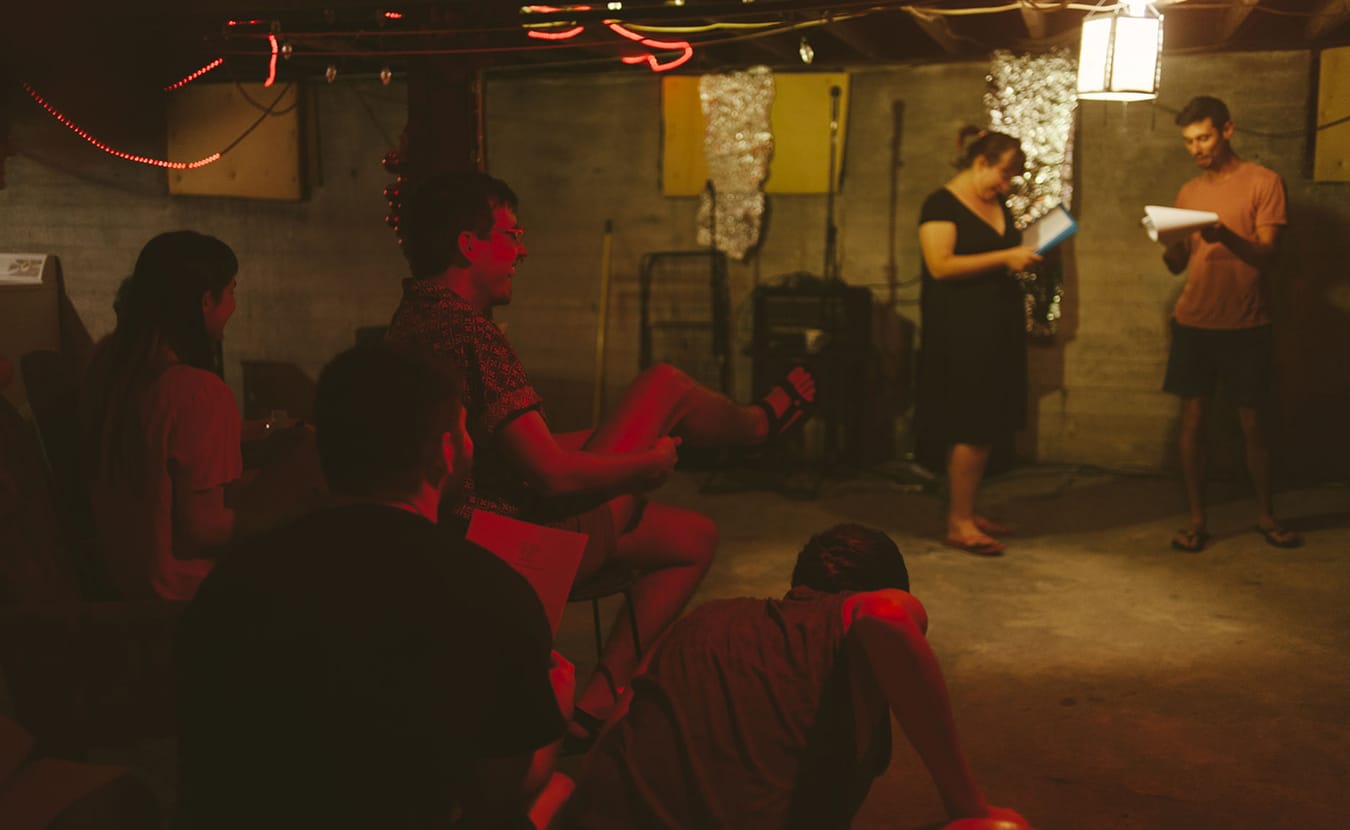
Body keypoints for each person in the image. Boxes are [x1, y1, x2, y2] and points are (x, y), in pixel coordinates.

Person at [384, 171, 816, 745]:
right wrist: (647, 465)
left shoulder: (413, 318)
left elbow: (518, 446)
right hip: (515, 542)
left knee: (693, 538)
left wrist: (621, 437)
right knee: (667, 385)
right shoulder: (470, 334)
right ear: (469, 244)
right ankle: (757, 427)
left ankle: (595, 705)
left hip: (470, 529)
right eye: (512, 235)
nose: (523, 249)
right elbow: (553, 477)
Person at [175, 345, 571, 830]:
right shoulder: (490, 592)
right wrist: (557, 713)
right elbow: (497, 796)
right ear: (446, 452)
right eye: (464, 427)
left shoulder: (235, 580)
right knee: (559, 790)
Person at [559, 523, 1035, 830]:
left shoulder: (703, 619)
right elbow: (887, 615)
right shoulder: (858, 615)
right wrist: (968, 804)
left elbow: (616, 732)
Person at [1161, 97, 1301, 553]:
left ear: (1227, 130)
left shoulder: (1264, 182)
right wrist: (1169, 248)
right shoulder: (1189, 193)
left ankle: (1266, 516)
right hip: (1193, 321)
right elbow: (1179, 264)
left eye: (1203, 137)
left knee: (1254, 426)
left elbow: (1268, 255)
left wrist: (1227, 236)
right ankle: (1197, 520)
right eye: (1189, 141)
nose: (1196, 148)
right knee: (1193, 422)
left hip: (1246, 322)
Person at [82, 231, 242, 600]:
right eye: (232, 291)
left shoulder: (106, 366)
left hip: (118, 586)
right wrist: (281, 517)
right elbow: (199, 529)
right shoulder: (198, 392)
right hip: (182, 600)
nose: (233, 305)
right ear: (206, 301)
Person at [915, 129, 1041, 557]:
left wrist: (1023, 251)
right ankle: (959, 523)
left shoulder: (996, 203)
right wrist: (1006, 258)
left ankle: (967, 509)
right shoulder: (940, 204)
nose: (1005, 186)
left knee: (987, 423)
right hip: (961, 330)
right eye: (1002, 175)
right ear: (980, 162)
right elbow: (940, 265)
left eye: (1010, 179)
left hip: (995, 326)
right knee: (970, 423)